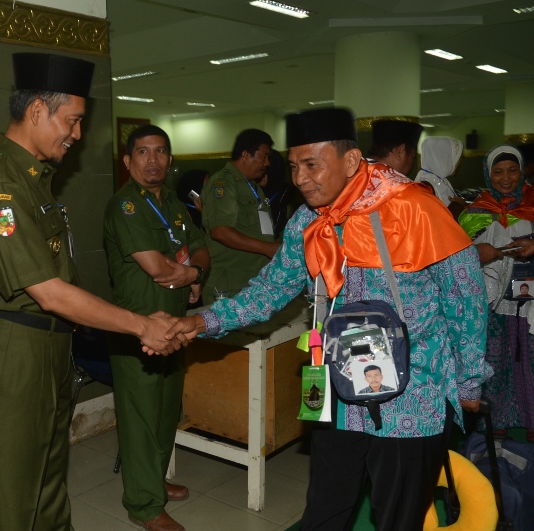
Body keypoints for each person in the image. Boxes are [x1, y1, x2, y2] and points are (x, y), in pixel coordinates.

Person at [165, 107, 491, 530]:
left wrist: (467, 381)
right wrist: (204, 322)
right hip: (336, 388)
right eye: (294, 165)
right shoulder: (309, 220)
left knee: (400, 516)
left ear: (351, 160)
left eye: (312, 165)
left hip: (413, 396)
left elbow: (466, 298)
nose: (299, 178)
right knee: (324, 510)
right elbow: (269, 290)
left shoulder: (415, 208)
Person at [0, 53, 187, 531]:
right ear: (38, 111)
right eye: (73, 121)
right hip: (13, 352)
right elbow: (50, 292)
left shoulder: (35, 179)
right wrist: (142, 324)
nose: (78, 135)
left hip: (49, 346)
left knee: (46, 477)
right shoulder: (0, 182)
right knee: (8, 489)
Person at [103, 125, 210, 531]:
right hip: (139, 329)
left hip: (176, 325)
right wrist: (191, 275)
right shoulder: (125, 206)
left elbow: (201, 246)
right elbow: (154, 267)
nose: (153, 160)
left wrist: (194, 270)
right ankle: (144, 504)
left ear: (170, 159)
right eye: (143, 152)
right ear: (128, 161)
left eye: (161, 152)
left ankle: (157, 483)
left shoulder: (175, 206)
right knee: (141, 416)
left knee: (166, 411)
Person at [458, 145, 534, 442]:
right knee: (496, 357)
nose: (506, 178)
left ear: (522, 170)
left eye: (512, 170)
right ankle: (497, 419)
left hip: (530, 300)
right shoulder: (475, 211)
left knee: (530, 356)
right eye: (498, 172)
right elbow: (457, 255)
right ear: (488, 175)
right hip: (493, 300)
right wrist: (477, 251)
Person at [200, 128, 280, 302]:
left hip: (253, 281)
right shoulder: (223, 183)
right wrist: (267, 248)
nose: (267, 163)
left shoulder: (253, 186)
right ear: (245, 154)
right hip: (229, 285)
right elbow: (220, 231)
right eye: (264, 156)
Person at [414, 136, 467, 219]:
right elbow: (433, 222)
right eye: (456, 158)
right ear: (444, 158)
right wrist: (458, 206)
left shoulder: (439, 180)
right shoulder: (425, 186)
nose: (459, 162)